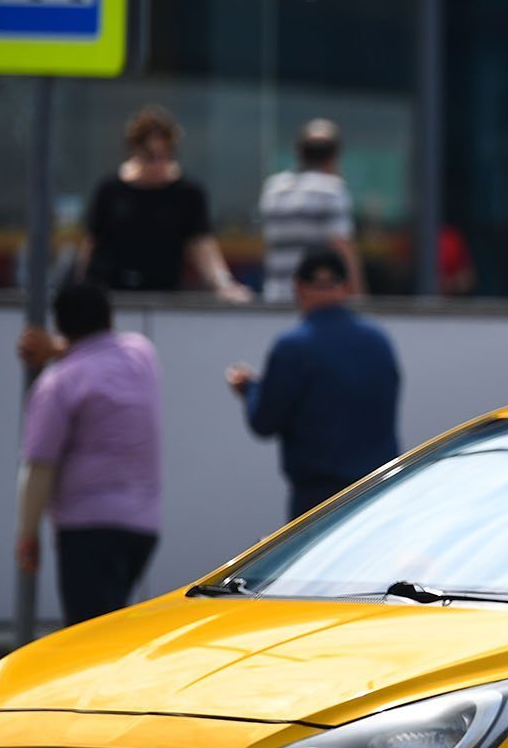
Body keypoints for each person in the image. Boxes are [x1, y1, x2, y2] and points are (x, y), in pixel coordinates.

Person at [16, 283, 162, 626]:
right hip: (142, 526)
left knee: (88, 635)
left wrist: (27, 534)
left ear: (60, 326)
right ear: (109, 317)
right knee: (111, 629)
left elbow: (39, 467)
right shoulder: (142, 355)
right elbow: (97, 350)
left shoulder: (59, 383)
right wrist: (57, 349)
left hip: (88, 526)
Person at [226, 248, 401, 520]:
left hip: (317, 503)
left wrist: (249, 389)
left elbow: (264, 422)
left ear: (298, 287)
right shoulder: (379, 342)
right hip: (376, 495)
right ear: (346, 287)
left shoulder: (292, 347)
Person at [79, 106, 251, 301]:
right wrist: (82, 288)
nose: (158, 164)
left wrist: (223, 283)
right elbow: (91, 243)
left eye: (166, 154)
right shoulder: (110, 190)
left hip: (164, 293)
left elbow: (202, 245)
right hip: (112, 293)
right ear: (135, 150)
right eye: (150, 156)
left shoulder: (187, 193)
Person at [259, 118, 361, 303]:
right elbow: (342, 248)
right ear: (334, 157)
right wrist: (358, 297)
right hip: (314, 299)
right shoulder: (331, 190)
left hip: (274, 294)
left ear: (299, 152)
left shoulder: (274, 188)